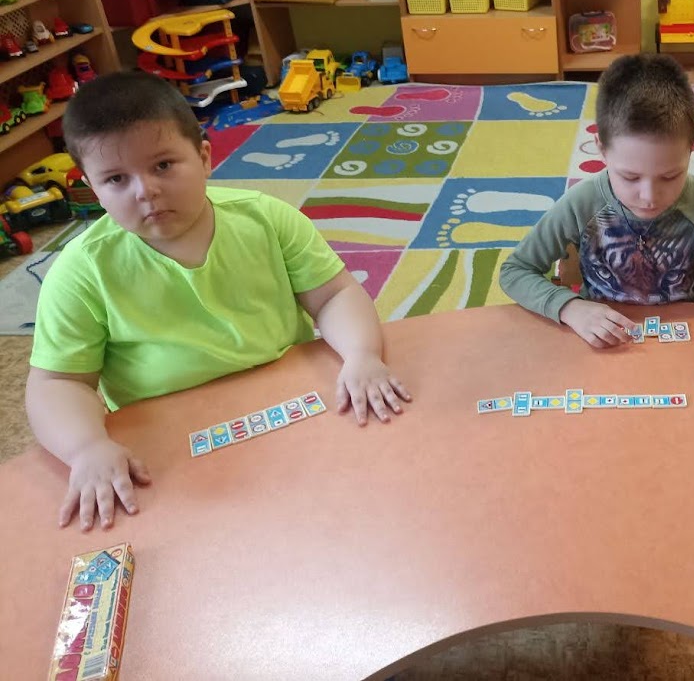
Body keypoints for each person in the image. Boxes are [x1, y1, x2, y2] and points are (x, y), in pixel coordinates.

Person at [25, 72, 411, 532]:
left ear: (204, 157)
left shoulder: (266, 218)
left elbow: (334, 295)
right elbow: (58, 383)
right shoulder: (80, 271)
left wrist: (361, 354)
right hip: (170, 436)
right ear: (92, 188)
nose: (145, 191)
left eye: (163, 165)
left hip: (288, 400)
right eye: (115, 179)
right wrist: (85, 447)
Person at [499, 54, 694, 384]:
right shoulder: (582, 203)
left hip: (689, 348)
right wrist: (570, 308)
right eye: (629, 177)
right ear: (600, 148)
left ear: (691, 150)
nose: (649, 196)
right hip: (601, 343)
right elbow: (515, 270)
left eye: (670, 176)